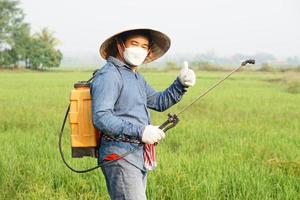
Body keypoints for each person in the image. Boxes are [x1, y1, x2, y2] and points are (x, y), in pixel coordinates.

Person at [91, 28, 196, 200]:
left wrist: (180, 84)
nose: (139, 49)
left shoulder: (135, 77)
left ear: (148, 51)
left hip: (136, 154)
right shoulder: (110, 75)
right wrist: (141, 131)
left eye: (144, 46)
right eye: (134, 44)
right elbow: (101, 117)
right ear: (120, 45)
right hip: (118, 154)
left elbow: (159, 101)